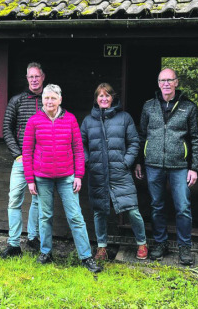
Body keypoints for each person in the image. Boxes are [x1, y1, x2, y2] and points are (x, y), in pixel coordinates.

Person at [22, 84, 102, 273]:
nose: (49, 101)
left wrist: (79, 175)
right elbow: (27, 151)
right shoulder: (34, 121)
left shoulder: (70, 119)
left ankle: (86, 257)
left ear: (60, 100)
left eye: (53, 98)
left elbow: (78, 150)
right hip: (42, 177)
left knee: (75, 217)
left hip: (67, 176)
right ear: (42, 100)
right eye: (46, 98)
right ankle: (46, 252)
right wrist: (30, 179)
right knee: (45, 216)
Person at [135, 68, 198, 265]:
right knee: (157, 206)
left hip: (180, 165)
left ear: (176, 83)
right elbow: (142, 135)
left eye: (169, 80)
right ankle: (160, 243)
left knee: (183, 207)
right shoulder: (149, 106)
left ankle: (184, 247)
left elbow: (196, 138)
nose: (166, 84)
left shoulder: (189, 107)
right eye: (162, 80)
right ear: (158, 84)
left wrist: (194, 167)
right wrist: (139, 160)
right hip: (153, 164)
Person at [80, 83, 147, 261]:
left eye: (107, 95)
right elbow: (81, 145)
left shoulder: (124, 118)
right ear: (96, 99)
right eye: (100, 96)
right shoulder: (88, 121)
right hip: (97, 173)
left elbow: (134, 142)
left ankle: (142, 242)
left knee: (132, 209)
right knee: (99, 212)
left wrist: (127, 162)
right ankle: (101, 247)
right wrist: (89, 162)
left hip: (120, 172)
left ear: (112, 98)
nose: (104, 99)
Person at [0, 62, 44, 258]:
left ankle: (34, 238)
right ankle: (14, 244)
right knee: (14, 200)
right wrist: (17, 154)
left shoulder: (50, 100)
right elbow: (6, 129)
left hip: (42, 160)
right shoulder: (17, 100)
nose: (34, 79)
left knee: (39, 200)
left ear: (43, 77)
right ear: (27, 79)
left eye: (37, 76)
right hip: (21, 160)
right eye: (30, 76)